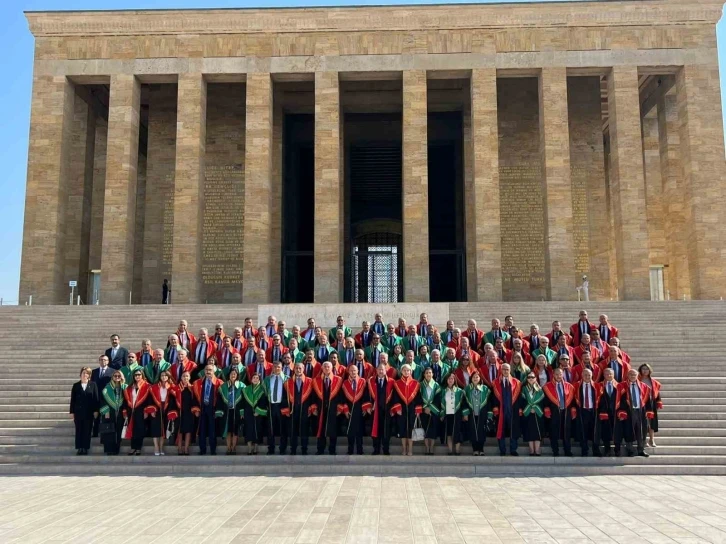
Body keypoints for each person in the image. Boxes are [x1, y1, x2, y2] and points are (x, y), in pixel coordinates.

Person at [615, 369, 650, 457]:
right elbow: (619, 399)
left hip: (640, 411)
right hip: (628, 411)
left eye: (634, 374)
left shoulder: (643, 386)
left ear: (637, 375)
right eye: (630, 374)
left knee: (641, 431)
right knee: (628, 430)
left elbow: (648, 400)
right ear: (627, 375)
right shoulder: (621, 386)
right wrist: (621, 411)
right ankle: (630, 450)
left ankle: (641, 449)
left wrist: (649, 411)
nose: (632, 376)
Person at [543, 368, 575, 457]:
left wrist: (573, 410)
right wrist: (546, 409)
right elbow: (545, 400)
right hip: (554, 412)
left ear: (562, 375)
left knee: (567, 432)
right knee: (553, 431)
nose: (558, 376)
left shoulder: (569, 386)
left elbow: (572, 401)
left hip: (566, 412)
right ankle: (555, 451)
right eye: (556, 374)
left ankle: (567, 450)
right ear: (553, 374)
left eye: (560, 374)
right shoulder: (547, 386)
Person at [365, 360, 395, 455]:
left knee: (386, 430)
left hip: (387, 410)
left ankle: (386, 449)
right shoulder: (371, 381)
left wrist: (393, 409)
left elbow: (394, 397)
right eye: (379, 369)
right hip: (375, 410)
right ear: (376, 371)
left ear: (386, 370)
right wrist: (368, 406)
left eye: (382, 369)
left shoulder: (391, 382)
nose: (381, 371)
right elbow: (367, 396)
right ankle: (376, 449)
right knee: (375, 430)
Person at [392, 364, 422, 456]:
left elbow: (418, 398)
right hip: (402, 410)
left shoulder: (416, 383)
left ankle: (410, 450)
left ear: (411, 372)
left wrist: (418, 411)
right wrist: (397, 408)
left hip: (412, 409)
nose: (406, 372)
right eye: (404, 370)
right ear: (401, 371)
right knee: (403, 430)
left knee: (411, 430)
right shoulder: (397, 383)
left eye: (408, 370)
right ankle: (404, 449)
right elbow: (395, 398)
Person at [313, 361, 343, 455]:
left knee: (333, 430)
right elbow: (313, 396)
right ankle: (320, 449)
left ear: (331, 368)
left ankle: (332, 450)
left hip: (333, 409)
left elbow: (341, 396)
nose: (326, 368)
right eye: (325, 366)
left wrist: (340, 408)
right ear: (322, 368)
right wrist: (314, 408)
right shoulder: (316, 380)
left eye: (328, 367)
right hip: (321, 408)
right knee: (320, 429)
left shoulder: (338, 380)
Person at [192, 364, 223, 455]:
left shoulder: (219, 383)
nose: (208, 372)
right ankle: (202, 450)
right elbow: (194, 398)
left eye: (210, 370)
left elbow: (221, 399)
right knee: (202, 430)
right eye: (206, 370)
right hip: (202, 409)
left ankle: (213, 450)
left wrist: (218, 410)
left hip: (213, 409)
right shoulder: (197, 383)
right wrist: (196, 409)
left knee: (212, 430)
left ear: (214, 371)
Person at [491, 363, 521, 456]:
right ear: (500, 370)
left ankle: (513, 450)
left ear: (510, 370)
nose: (505, 371)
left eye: (507, 369)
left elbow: (519, 397)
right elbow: (493, 397)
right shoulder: (495, 382)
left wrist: (519, 408)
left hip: (512, 409)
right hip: (501, 410)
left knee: (513, 429)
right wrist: (495, 407)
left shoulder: (517, 382)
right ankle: (502, 450)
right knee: (501, 430)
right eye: (503, 369)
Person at [284, 362, 314, 455]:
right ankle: (293, 449)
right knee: (293, 430)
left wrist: (311, 408)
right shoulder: (288, 382)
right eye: (296, 368)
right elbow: (284, 397)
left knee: (304, 430)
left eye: (300, 368)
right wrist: (286, 409)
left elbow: (313, 397)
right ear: (294, 369)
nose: (298, 370)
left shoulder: (310, 381)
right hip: (292, 410)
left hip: (305, 410)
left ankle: (304, 449)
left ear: (303, 369)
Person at [70, 367, 99, 455]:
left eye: (87, 373)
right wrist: (72, 412)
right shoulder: (76, 385)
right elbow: (73, 400)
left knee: (87, 430)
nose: (84, 374)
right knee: (79, 430)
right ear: (80, 374)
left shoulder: (93, 384)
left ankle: (85, 448)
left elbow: (96, 398)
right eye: (83, 373)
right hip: (78, 412)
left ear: (89, 375)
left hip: (89, 412)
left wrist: (96, 410)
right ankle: (79, 448)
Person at [339, 365, 367, 455]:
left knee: (359, 430)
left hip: (359, 409)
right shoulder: (345, 383)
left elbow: (366, 396)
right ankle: (350, 450)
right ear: (348, 372)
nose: (353, 372)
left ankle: (360, 450)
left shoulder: (363, 381)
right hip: (349, 410)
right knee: (350, 431)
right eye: (351, 371)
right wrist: (345, 409)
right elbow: (342, 398)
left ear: (358, 371)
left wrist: (365, 408)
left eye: (354, 370)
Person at [148, 370, 178, 456]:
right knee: (155, 428)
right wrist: (152, 410)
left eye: (165, 375)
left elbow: (174, 400)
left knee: (163, 429)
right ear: (159, 377)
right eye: (162, 375)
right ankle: (156, 447)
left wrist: (171, 412)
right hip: (156, 408)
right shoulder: (154, 387)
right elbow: (150, 399)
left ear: (168, 377)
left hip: (166, 408)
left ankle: (161, 447)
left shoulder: (171, 387)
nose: (164, 377)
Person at [122, 368, 152, 456]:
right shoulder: (129, 387)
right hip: (131, 411)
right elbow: (125, 401)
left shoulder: (147, 386)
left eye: (139, 374)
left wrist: (147, 411)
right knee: (132, 429)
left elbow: (149, 401)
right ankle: (133, 447)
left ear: (142, 375)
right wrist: (124, 412)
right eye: (135, 375)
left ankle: (138, 448)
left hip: (141, 411)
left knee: (140, 430)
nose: (137, 376)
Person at [264, 361, 289, 455]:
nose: (276, 369)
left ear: (281, 368)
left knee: (283, 428)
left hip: (282, 406)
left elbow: (289, 395)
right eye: (274, 367)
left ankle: (282, 448)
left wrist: (287, 407)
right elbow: (264, 394)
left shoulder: (287, 379)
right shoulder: (267, 379)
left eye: (278, 367)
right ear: (272, 368)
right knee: (270, 429)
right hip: (271, 406)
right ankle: (271, 448)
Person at [463, 371, 490, 456]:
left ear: (480, 379)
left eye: (477, 377)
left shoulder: (485, 389)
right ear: (471, 379)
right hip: (471, 414)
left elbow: (489, 403)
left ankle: (481, 449)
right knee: (473, 431)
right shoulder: (467, 389)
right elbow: (464, 402)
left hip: (482, 414)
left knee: (481, 432)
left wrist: (489, 415)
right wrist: (465, 413)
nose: (475, 378)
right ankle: (475, 449)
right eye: (474, 377)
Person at [575, 368, 601, 457]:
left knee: (595, 431)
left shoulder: (597, 386)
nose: (587, 377)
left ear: (592, 376)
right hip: (582, 411)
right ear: (582, 375)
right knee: (583, 431)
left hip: (594, 411)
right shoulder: (577, 386)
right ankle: (584, 450)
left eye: (589, 375)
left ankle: (596, 450)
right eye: (585, 375)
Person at [218, 367, 244, 455]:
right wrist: (220, 411)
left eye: (235, 374)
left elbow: (244, 400)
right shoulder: (223, 386)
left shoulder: (242, 386)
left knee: (235, 430)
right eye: (231, 374)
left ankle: (234, 447)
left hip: (237, 411)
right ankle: (228, 448)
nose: (233, 375)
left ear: (237, 375)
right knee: (228, 430)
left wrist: (242, 412)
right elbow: (220, 400)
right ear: (228, 375)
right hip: (227, 411)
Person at [99, 370, 126, 455]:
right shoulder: (107, 388)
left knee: (118, 431)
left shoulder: (125, 387)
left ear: (121, 377)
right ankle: (109, 450)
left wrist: (125, 411)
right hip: (109, 413)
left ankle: (116, 449)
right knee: (109, 432)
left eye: (119, 376)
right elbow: (102, 401)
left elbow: (127, 401)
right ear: (112, 377)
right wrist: (106, 411)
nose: (117, 377)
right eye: (115, 376)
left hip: (120, 412)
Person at [518, 372, 544, 456]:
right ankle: (531, 450)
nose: (531, 379)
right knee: (529, 431)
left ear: (536, 378)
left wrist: (535, 408)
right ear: (527, 379)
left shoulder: (540, 389)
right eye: (529, 377)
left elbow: (542, 401)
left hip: (537, 412)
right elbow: (522, 401)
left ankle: (537, 449)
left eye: (533, 377)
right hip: (528, 412)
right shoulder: (524, 389)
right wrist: (529, 408)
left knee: (537, 432)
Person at [241, 373, 268, 455]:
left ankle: (256, 448)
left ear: (259, 380)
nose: (255, 379)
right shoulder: (246, 389)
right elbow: (242, 402)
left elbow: (264, 403)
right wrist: (242, 413)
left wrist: (258, 411)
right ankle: (249, 449)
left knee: (257, 430)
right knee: (248, 430)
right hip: (248, 412)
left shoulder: (262, 390)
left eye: (257, 378)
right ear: (251, 379)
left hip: (258, 413)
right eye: (254, 378)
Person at [639, 363, 663, 448]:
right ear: (640, 370)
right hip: (641, 403)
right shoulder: (637, 379)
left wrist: (658, 401)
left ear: (649, 370)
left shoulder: (654, 382)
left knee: (651, 422)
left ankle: (652, 439)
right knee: (644, 422)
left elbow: (657, 392)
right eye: (643, 369)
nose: (645, 370)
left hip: (651, 403)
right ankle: (644, 440)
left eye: (647, 369)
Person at [439, 373, 463, 456]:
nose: (450, 380)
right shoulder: (443, 391)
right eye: (449, 378)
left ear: (454, 380)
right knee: (449, 433)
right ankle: (450, 450)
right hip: (447, 414)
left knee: (457, 432)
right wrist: (442, 414)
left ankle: (457, 450)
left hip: (457, 414)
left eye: (452, 378)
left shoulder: (459, 391)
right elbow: (441, 403)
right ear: (446, 380)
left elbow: (462, 404)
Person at [419, 367, 441, 455]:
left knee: (433, 430)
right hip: (424, 411)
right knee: (425, 429)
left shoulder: (436, 385)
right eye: (426, 373)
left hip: (433, 411)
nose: (428, 374)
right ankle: (426, 447)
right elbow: (418, 398)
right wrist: (424, 408)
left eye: (430, 373)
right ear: (424, 374)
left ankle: (431, 448)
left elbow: (438, 399)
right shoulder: (420, 385)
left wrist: (430, 408)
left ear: (433, 374)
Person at [597, 368, 618, 456]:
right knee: (605, 431)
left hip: (616, 412)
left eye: (610, 374)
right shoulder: (599, 386)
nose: (609, 375)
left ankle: (617, 449)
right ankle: (607, 449)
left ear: (613, 375)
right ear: (603, 375)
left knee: (617, 431)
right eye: (606, 374)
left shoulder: (619, 386)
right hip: (604, 412)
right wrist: (601, 411)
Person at [91, 355, 113, 437]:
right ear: (99, 361)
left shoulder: (113, 371)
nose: (103, 361)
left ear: (108, 361)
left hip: (107, 398)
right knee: (96, 416)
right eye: (101, 360)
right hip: (96, 397)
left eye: (105, 360)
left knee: (106, 416)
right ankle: (95, 432)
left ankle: (105, 433)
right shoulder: (94, 372)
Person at [174, 371, 195, 456]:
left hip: (189, 412)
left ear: (189, 378)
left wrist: (195, 410)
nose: (185, 378)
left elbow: (195, 400)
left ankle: (186, 448)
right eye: (183, 376)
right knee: (180, 430)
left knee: (188, 430)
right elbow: (173, 401)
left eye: (187, 376)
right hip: (179, 412)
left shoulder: (192, 388)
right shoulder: (177, 388)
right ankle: (179, 448)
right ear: (181, 378)